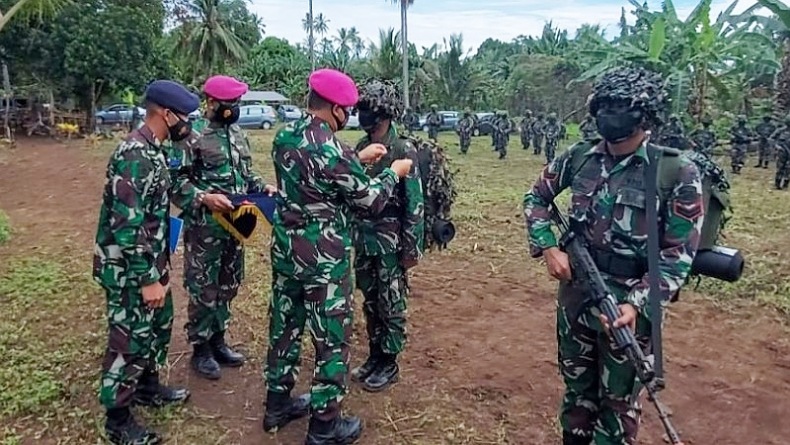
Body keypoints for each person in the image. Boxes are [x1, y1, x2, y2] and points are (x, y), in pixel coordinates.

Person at [523, 67, 703, 445]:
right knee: (577, 391)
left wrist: (636, 304)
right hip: (576, 296)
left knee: (619, 404)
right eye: (603, 106)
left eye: (621, 107)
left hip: (628, 308)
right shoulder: (579, 157)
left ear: (645, 113)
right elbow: (536, 197)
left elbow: (677, 254)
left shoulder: (675, 171)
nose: (610, 114)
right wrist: (549, 247)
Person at [263, 68, 414, 445]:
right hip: (322, 260)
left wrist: (354, 159)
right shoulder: (333, 149)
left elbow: (315, 179)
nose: (348, 116)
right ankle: (325, 426)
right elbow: (371, 199)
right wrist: (393, 173)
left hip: (286, 253)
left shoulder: (283, 138)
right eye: (345, 109)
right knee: (331, 338)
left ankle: (277, 404)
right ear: (333, 109)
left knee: (285, 328)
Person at [93, 80, 199, 445]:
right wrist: (146, 279)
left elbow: (169, 193)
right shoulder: (134, 154)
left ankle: (147, 387)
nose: (189, 124)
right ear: (166, 114)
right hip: (129, 270)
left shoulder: (153, 151)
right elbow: (127, 224)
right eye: (185, 117)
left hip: (153, 262)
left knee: (157, 327)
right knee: (128, 339)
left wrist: (206, 197)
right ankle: (117, 420)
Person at [169, 75, 276, 380]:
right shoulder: (191, 136)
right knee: (204, 287)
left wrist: (261, 186)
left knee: (229, 282)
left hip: (235, 222)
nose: (235, 108)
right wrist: (204, 198)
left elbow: (245, 175)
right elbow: (176, 182)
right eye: (230, 103)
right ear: (212, 103)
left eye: (238, 103)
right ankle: (200, 348)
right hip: (205, 227)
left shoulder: (238, 134)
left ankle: (218, 340)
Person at [350, 79, 425, 392]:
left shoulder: (402, 149)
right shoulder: (359, 148)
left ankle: (389, 361)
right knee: (370, 301)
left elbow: (415, 203)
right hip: (364, 240)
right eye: (361, 109)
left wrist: (411, 248)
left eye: (369, 110)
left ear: (384, 114)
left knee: (391, 303)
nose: (364, 116)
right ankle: (375, 354)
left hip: (391, 242)